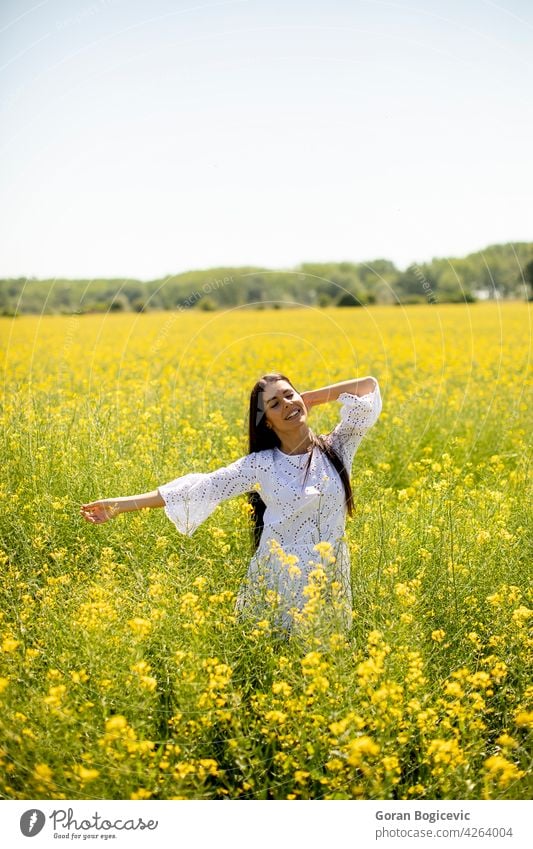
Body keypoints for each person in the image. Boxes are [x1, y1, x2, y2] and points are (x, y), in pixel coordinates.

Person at [80, 372, 382, 635]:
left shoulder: (338, 447)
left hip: (329, 580)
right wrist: (118, 505)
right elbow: (199, 487)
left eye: (289, 395)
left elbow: (368, 386)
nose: (287, 404)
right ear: (266, 423)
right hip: (277, 580)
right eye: (275, 404)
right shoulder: (261, 465)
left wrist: (309, 397)